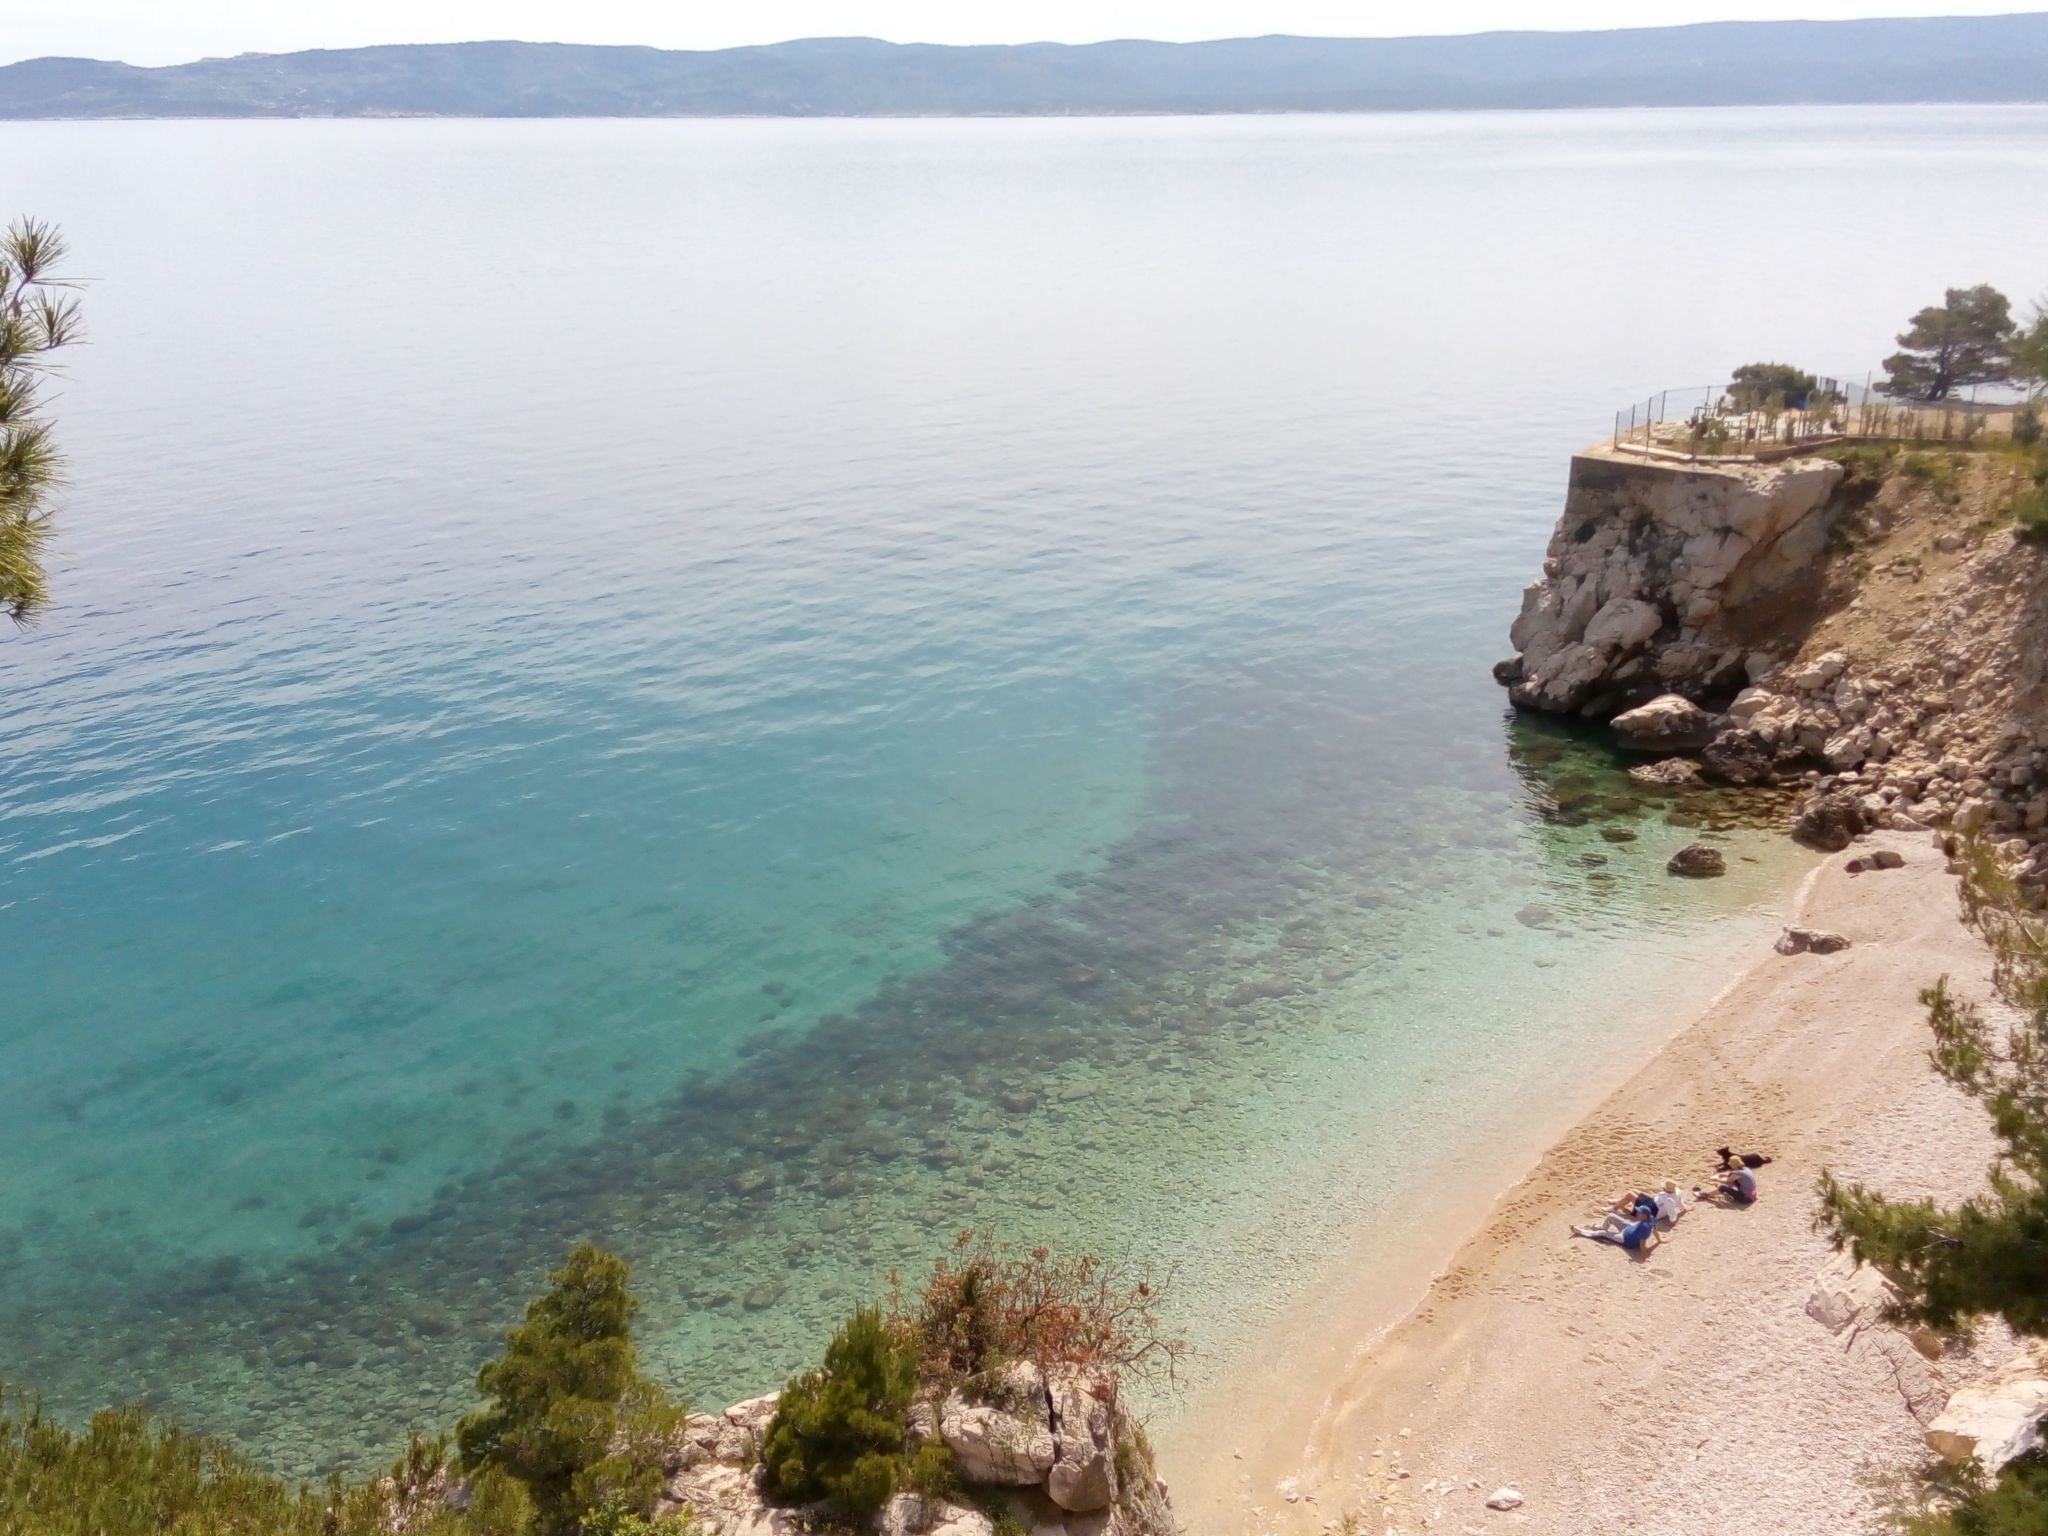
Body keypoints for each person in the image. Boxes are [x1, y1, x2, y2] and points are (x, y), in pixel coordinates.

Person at [1571, 1212, 1659, 1252]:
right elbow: (1655, 1231)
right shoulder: (1649, 1221)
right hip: (1628, 1227)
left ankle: (1581, 1232)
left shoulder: (1644, 1229)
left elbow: (1642, 1247)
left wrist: (1647, 1252)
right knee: (1611, 1216)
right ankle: (1603, 1226)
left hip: (1625, 1238)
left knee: (1603, 1233)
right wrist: (1660, 1240)